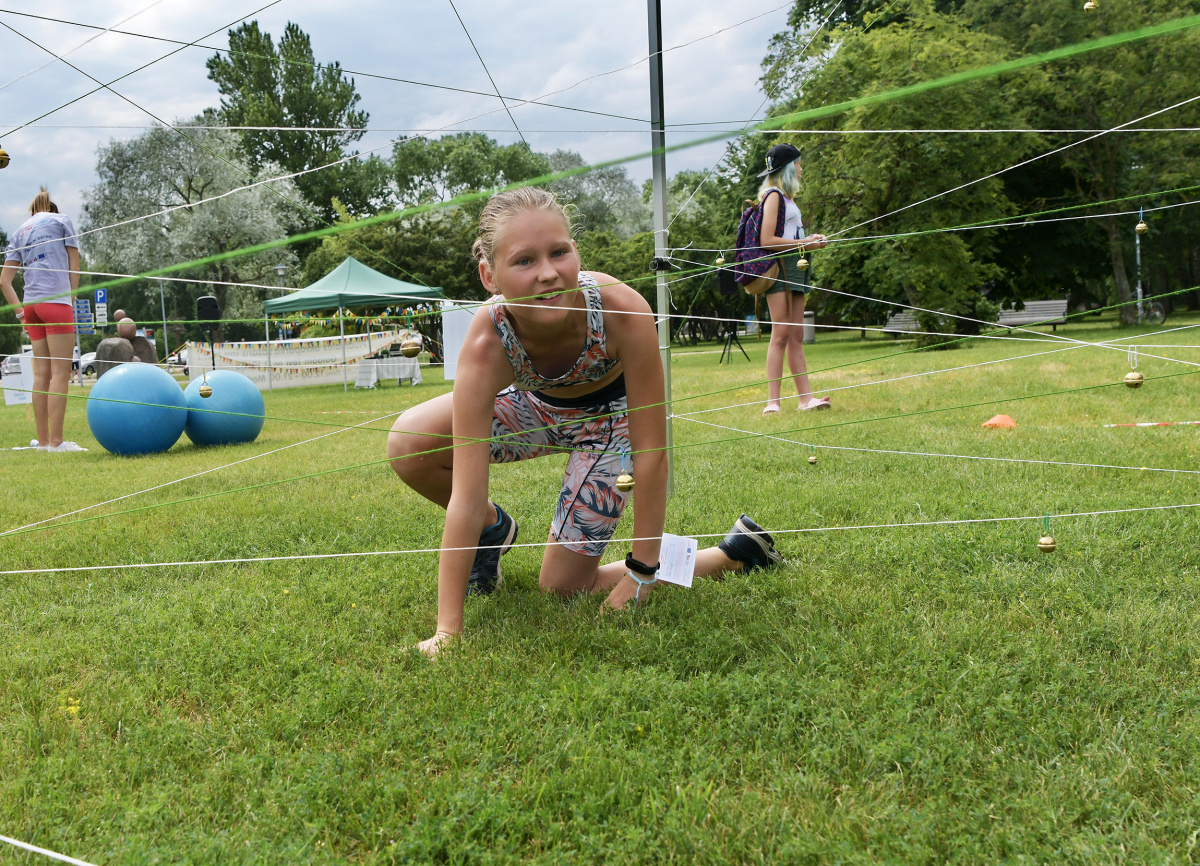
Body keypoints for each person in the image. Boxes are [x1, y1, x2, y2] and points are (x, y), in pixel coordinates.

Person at [387, 188, 782, 657]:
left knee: (562, 587)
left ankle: (733, 554)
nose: (548, 273)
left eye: (559, 252)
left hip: (610, 427)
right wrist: (447, 632)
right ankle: (495, 532)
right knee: (408, 443)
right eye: (524, 260)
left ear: (576, 252)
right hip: (535, 409)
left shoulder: (623, 310)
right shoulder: (487, 340)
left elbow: (652, 457)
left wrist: (641, 571)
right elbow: (466, 497)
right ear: (489, 276)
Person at [0, 188, 86, 452]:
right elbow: (74, 264)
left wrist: (20, 314)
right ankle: (57, 444)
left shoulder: (19, 231)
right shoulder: (62, 220)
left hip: (32, 307)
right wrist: (71, 298)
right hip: (56, 302)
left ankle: (44, 443)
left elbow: (4, 281)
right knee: (61, 373)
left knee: (41, 375)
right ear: (52, 209)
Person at [755, 143, 830, 414]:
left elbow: (791, 235)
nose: (801, 169)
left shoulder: (788, 199)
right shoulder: (773, 196)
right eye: (798, 164)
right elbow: (766, 240)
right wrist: (805, 244)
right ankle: (772, 403)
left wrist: (810, 240)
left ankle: (806, 399)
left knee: (796, 334)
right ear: (788, 168)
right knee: (781, 333)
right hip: (780, 269)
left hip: (796, 267)